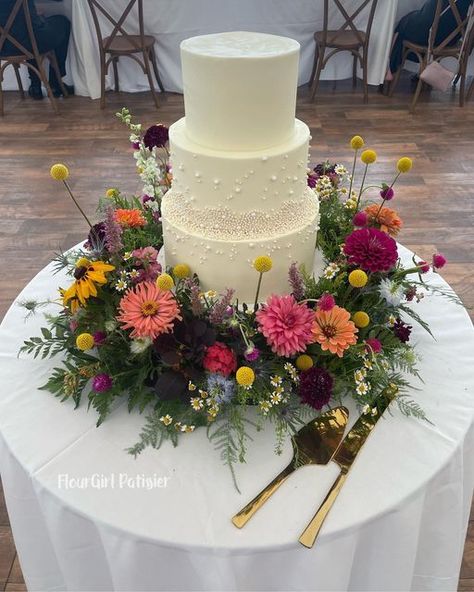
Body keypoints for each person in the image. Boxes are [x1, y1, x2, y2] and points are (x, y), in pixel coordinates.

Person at [0, 0, 72, 99]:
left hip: (4, 47)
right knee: (62, 22)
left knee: (29, 31)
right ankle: (55, 83)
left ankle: (35, 86)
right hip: (30, 42)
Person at [387, 0, 473, 80]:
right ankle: (424, 69)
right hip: (451, 36)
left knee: (404, 23)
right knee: (419, 22)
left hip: (427, 32)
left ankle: (389, 69)